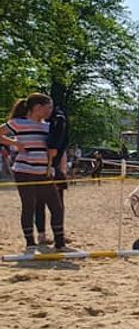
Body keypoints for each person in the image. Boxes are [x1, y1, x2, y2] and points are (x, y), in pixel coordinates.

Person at [0, 94, 68, 252]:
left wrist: (54, 153)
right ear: (38, 107)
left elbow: (55, 143)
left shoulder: (48, 126)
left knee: (56, 207)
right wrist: (14, 143)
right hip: (24, 170)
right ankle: (30, 242)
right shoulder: (18, 123)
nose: (51, 110)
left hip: (44, 172)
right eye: (48, 107)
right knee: (29, 205)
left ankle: (60, 243)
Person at [33, 104, 68, 245]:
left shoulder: (55, 124)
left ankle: (58, 234)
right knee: (43, 204)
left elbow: (61, 152)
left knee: (56, 205)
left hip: (55, 169)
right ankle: (42, 235)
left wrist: (62, 170)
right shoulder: (43, 127)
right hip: (43, 169)